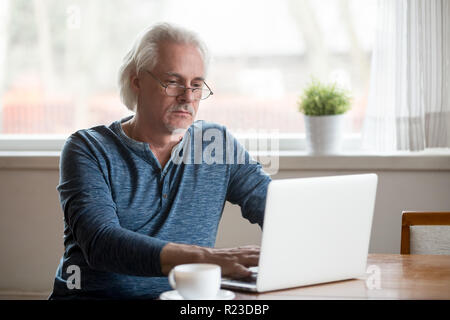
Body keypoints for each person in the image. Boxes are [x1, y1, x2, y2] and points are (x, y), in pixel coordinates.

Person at [49, 22, 271, 300]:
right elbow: (101, 243)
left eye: (196, 84)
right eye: (173, 81)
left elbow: (275, 209)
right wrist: (209, 258)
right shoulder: (88, 148)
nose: (187, 97)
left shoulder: (217, 144)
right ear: (137, 81)